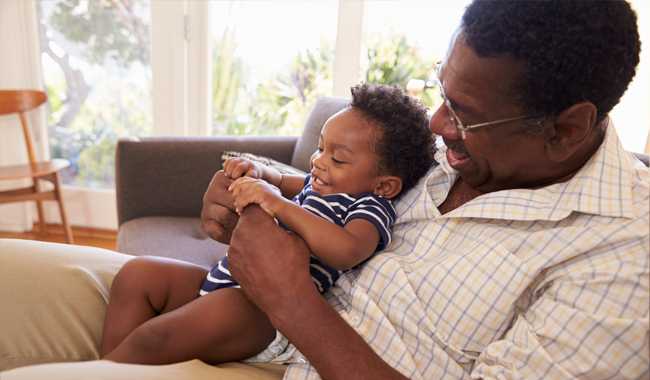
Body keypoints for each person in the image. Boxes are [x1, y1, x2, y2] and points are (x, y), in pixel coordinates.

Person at [0, 1, 647, 379]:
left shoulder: (623, 258)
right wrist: (241, 193)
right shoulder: (463, 156)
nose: (437, 125)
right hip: (263, 316)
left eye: (465, 113)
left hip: (277, 343)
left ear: (566, 128)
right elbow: (336, 178)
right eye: (441, 92)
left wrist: (287, 300)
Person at [99, 84, 435, 365]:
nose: (317, 162)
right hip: (223, 281)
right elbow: (280, 179)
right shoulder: (317, 183)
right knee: (137, 276)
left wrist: (278, 205)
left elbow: (347, 250)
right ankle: (105, 366)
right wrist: (256, 172)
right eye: (320, 148)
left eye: (338, 158)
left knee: (155, 339)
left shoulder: (369, 206)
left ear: (384, 185)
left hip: (260, 311)